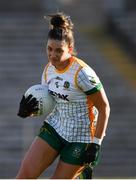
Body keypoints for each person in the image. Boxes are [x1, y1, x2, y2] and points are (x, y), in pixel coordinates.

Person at [16, 12, 110, 179]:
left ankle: (82, 172)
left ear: (70, 49)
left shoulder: (82, 73)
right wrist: (28, 112)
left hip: (81, 137)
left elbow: (104, 108)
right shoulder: (48, 70)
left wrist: (96, 144)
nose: (52, 55)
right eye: (49, 49)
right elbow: (49, 102)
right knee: (24, 175)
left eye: (59, 50)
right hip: (55, 127)